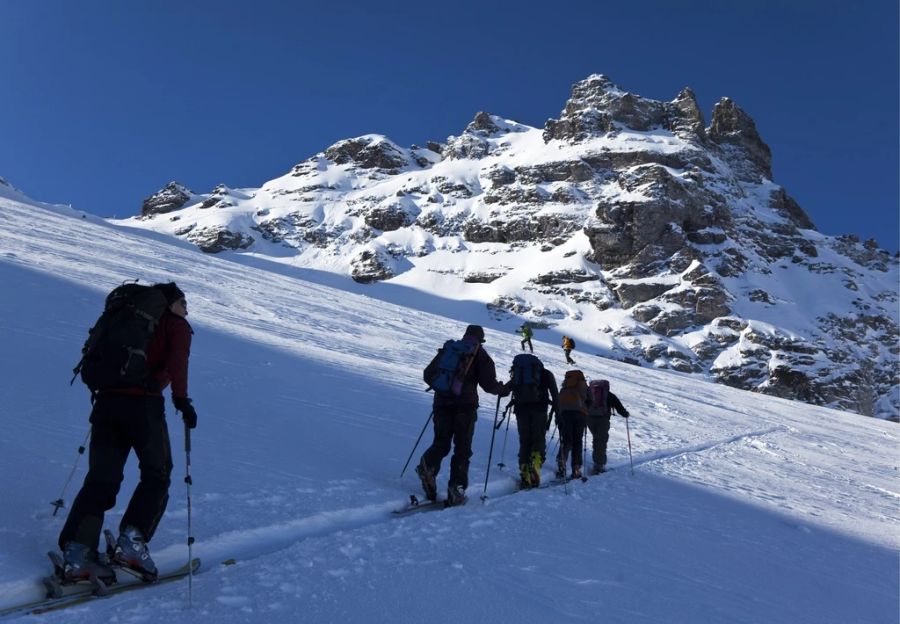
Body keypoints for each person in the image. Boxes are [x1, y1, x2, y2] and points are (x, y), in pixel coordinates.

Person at [57, 282, 198, 582]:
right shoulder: (175, 325)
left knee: (101, 478)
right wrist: (182, 401)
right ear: (169, 303)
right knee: (157, 472)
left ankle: (78, 552)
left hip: (106, 402)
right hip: (143, 406)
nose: (187, 309)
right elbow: (177, 362)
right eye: (184, 303)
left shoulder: (123, 320)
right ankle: (132, 544)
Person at [419, 324, 509, 506]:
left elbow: (428, 375)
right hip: (465, 408)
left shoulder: (449, 349)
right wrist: (504, 390)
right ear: (481, 339)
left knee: (441, 443)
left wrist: (444, 388)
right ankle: (457, 488)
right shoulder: (480, 355)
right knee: (462, 448)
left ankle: (428, 465)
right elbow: (489, 385)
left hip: (441, 405)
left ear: (465, 335)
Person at [509, 356, 558, 489]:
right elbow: (555, 394)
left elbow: (508, 388)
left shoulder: (519, 372)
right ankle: (535, 466)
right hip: (539, 409)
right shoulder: (546, 373)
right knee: (538, 438)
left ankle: (525, 473)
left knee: (524, 440)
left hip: (520, 410)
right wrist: (557, 411)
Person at [586, 379, 629, 474]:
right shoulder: (609, 395)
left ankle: (598, 461)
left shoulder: (588, 392)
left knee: (596, 439)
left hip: (589, 419)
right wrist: (625, 413)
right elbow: (619, 408)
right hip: (603, 419)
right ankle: (599, 465)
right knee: (600, 441)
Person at [555, 369, 590, 480]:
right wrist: (585, 410)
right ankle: (576, 467)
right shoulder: (584, 387)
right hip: (580, 415)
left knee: (566, 439)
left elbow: (559, 401)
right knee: (577, 441)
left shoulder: (565, 387)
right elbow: (591, 400)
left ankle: (561, 460)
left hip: (565, 414)